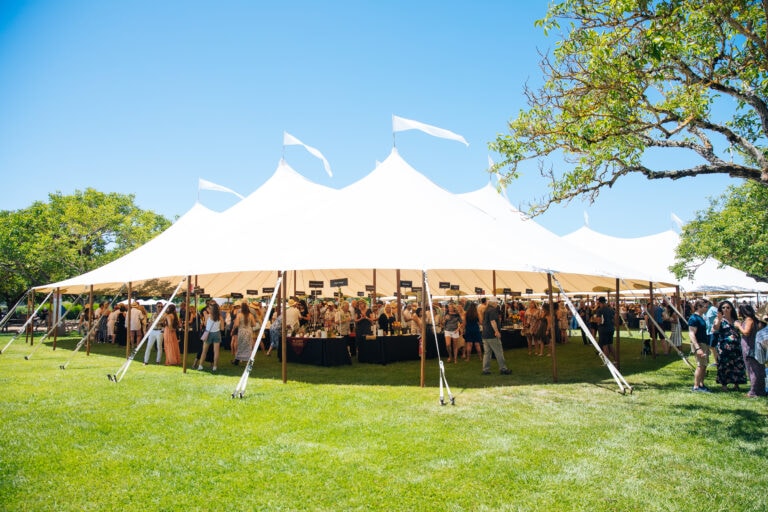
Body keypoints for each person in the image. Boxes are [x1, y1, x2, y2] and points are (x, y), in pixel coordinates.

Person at [711, 300, 746, 391]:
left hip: (736, 346)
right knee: (724, 364)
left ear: (731, 309)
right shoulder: (719, 319)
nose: (725, 309)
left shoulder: (736, 320)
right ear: (720, 309)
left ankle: (736, 384)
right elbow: (715, 328)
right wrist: (718, 319)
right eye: (723, 307)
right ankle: (724, 385)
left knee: (737, 364)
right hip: (724, 346)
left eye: (728, 307)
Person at [734, 303, 766, 398]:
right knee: (758, 369)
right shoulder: (756, 320)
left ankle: (753, 392)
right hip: (755, 346)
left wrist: (739, 326)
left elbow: (746, 332)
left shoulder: (749, 320)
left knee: (752, 369)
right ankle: (760, 390)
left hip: (749, 347)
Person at [481, 297, 511, 375]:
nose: (497, 304)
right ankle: (503, 369)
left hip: (485, 334)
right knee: (499, 352)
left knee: (487, 353)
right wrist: (497, 331)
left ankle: (485, 370)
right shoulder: (492, 310)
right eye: (496, 303)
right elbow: (493, 321)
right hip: (492, 334)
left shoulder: (486, 310)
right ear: (494, 303)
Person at [687, 298, 711, 392]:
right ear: (699, 307)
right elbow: (691, 334)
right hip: (699, 344)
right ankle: (696, 387)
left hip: (704, 344)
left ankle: (701, 384)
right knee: (700, 365)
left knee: (704, 365)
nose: (707, 308)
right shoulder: (694, 318)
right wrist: (698, 348)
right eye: (705, 306)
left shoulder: (701, 317)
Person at [197, 301, 222, 372]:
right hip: (217, 333)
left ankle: (200, 365)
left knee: (204, 351)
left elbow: (204, 324)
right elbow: (222, 328)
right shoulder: (219, 317)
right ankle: (215, 366)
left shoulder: (208, 316)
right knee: (216, 351)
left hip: (208, 334)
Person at [232, 300, 255, 366]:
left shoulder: (239, 315)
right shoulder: (250, 315)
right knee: (248, 346)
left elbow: (236, 324)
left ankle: (237, 360)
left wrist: (234, 328)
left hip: (241, 331)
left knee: (241, 345)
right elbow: (254, 324)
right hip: (249, 332)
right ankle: (248, 361)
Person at [596, 297, 615, 361]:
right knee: (610, 345)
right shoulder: (611, 309)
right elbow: (614, 319)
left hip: (603, 329)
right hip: (611, 328)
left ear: (600, 302)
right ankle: (616, 360)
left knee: (605, 346)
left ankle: (607, 362)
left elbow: (599, 321)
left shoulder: (600, 310)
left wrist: (595, 320)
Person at [704, 298, 720, 366]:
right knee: (711, 347)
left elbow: (720, 316)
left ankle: (717, 361)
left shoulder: (713, 309)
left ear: (707, 303)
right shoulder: (705, 311)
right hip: (708, 331)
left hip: (713, 331)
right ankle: (716, 360)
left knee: (713, 346)